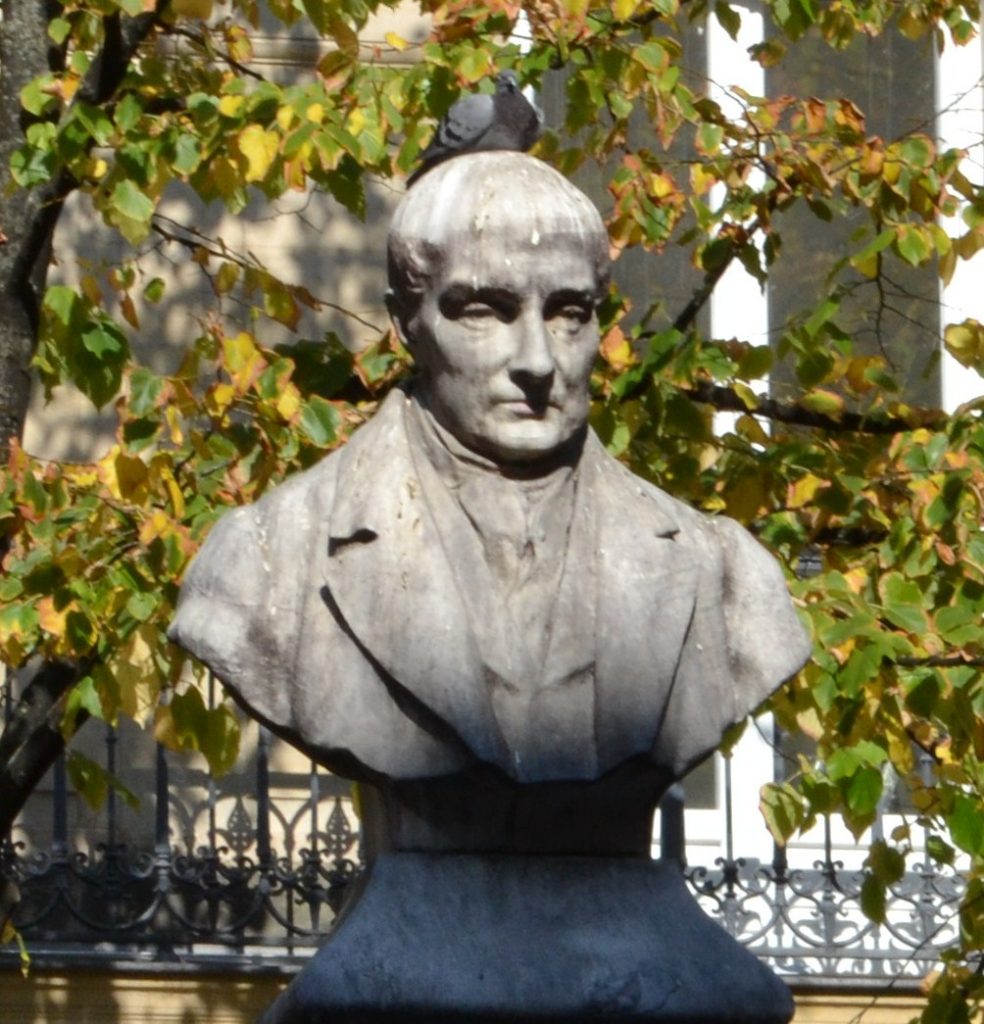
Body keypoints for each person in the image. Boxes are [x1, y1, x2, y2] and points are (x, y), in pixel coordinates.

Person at [169, 152, 810, 851]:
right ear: (408, 322)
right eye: (486, 310)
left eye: (569, 314)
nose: (536, 359)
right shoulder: (267, 562)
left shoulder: (723, 573)